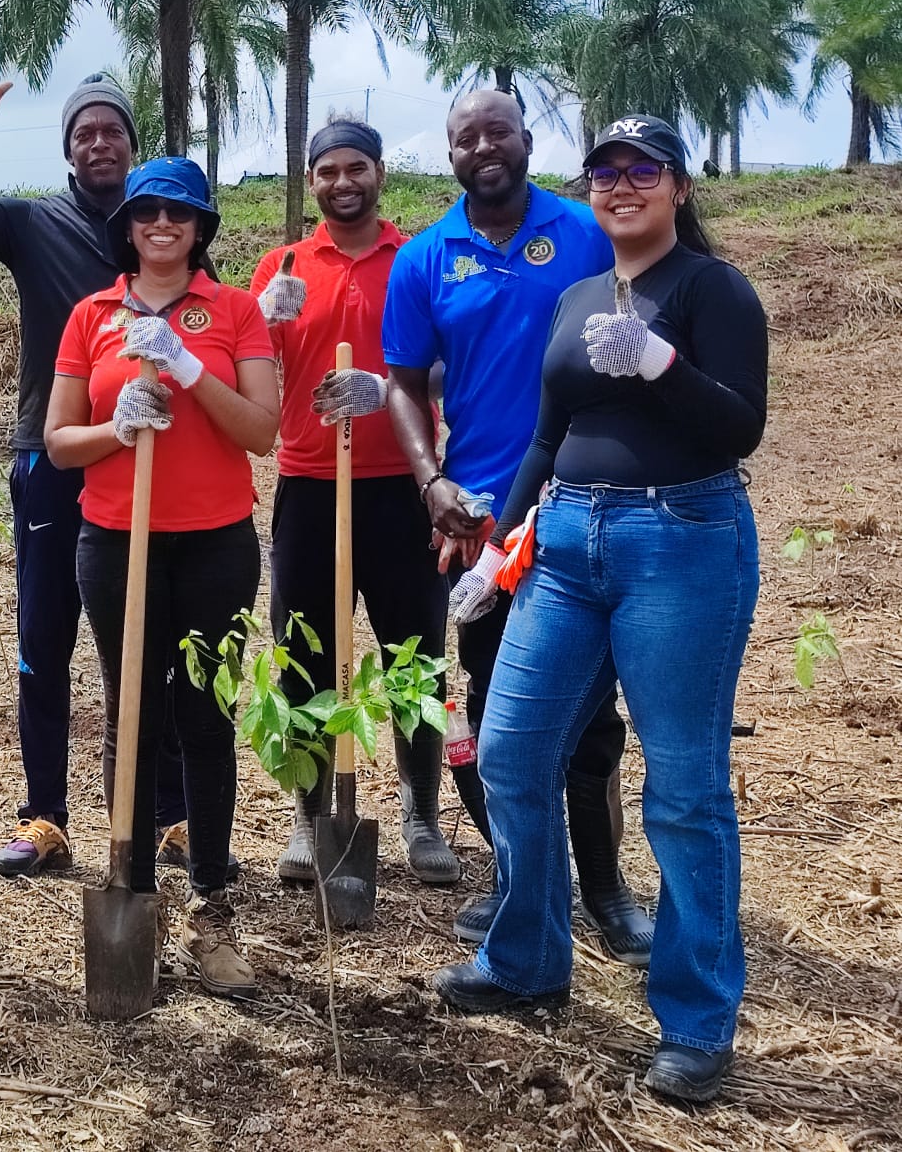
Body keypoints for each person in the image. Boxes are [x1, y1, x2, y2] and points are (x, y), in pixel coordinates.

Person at [433, 113, 766, 1105]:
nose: (622, 184)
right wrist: (502, 547)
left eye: (643, 169)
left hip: (683, 540)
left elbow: (741, 425)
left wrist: (663, 364)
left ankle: (698, 1021)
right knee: (510, 750)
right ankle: (527, 957)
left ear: (678, 186)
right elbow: (547, 435)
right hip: (568, 541)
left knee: (684, 788)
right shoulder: (578, 296)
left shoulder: (713, 290)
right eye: (607, 171)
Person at [382, 89, 654, 961]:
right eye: (465, 138)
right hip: (485, 525)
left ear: (528, 141)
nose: (483, 148)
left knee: (593, 719)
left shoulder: (585, 232)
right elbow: (401, 380)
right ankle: (518, 880)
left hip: (590, 504)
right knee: (501, 714)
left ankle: (606, 890)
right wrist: (433, 482)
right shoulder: (427, 257)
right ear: (451, 155)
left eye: (497, 131)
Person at [0, 75, 199, 879]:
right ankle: (45, 816)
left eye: (112, 129)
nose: (98, 141)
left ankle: (171, 814)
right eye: (84, 132)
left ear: (132, 143)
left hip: (151, 456)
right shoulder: (34, 222)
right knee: (45, 635)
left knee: (154, 636)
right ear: (67, 147)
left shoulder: (165, 224)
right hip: (52, 458)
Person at [44, 158, 278, 998]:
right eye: (147, 212)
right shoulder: (91, 315)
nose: (162, 225)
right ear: (129, 226)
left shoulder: (236, 311)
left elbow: (260, 430)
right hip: (116, 545)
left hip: (214, 545)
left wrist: (184, 366)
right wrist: (116, 425)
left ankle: (214, 907)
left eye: (180, 213)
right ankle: (132, 887)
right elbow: (59, 441)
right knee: (131, 713)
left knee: (207, 721)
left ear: (201, 227)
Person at [250, 117, 453, 886]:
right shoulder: (284, 265)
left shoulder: (420, 260)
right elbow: (249, 374)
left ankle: (419, 814)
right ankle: (309, 818)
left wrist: (391, 389)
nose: (343, 182)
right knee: (304, 657)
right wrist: (264, 321)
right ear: (311, 182)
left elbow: (449, 367)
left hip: (404, 487)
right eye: (328, 170)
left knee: (417, 657)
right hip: (309, 485)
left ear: (379, 175)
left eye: (356, 168)